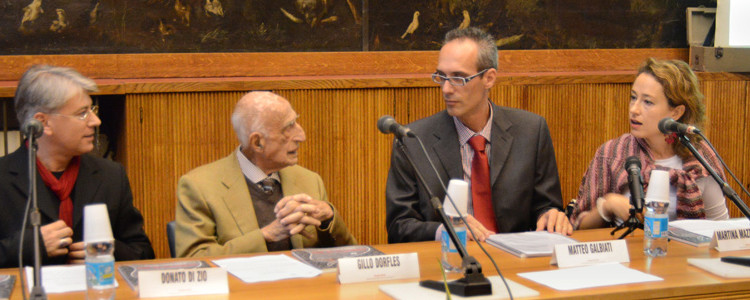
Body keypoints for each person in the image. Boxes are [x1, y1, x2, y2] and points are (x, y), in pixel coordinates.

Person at [385, 27, 572, 244]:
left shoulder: (531, 131)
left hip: (515, 261)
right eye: (441, 77)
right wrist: (445, 231)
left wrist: (550, 215)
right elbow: (399, 226)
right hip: (450, 263)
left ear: (489, 78)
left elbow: (545, 205)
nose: (446, 89)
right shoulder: (413, 141)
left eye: (458, 78)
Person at [0, 65, 155, 268]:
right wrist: (29, 246)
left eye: (93, 110)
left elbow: (144, 255)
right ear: (43, 123)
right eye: (82, 113)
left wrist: (108, 250)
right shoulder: (4, 178)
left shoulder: (110, 175)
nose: (95, 121)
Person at [175, 91, 356, 257]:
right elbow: (193, 259)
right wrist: (266, 235)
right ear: (258, 143)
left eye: (296, 121)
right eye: (288, 127)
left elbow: (349, 256)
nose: (301, 136)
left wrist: (329, 219)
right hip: (242, 292)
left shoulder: (309, 180)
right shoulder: (199, 186)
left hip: (305, 290)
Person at [571, 58, 729, 229]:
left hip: (684, 254)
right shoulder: (613, 153)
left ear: (676, 112)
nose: (634, 109)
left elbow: (720, 229)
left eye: (647, 102)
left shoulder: (700, 157)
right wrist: (607, 205)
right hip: (626, 252)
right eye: (633, 98)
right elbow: (579, 229)